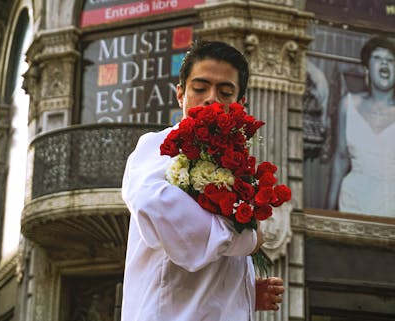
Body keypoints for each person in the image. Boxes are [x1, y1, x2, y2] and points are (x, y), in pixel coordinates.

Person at [121, 40, 285, 321]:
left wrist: (242, 292)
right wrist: (247, 239)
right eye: (200, 88)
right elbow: (155, 205)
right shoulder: (157, 146)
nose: (211, 98)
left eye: (225, 91)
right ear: (180, 94)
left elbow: (202, 256)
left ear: (241, 103)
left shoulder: (235, 165)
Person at [326, 36, 395, 221]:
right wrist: (327, 211)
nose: (385, 62)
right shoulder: (348, 104)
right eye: (378, 58)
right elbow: (340, 158)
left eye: (391, 60)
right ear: (367, 68)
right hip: (355, 201)